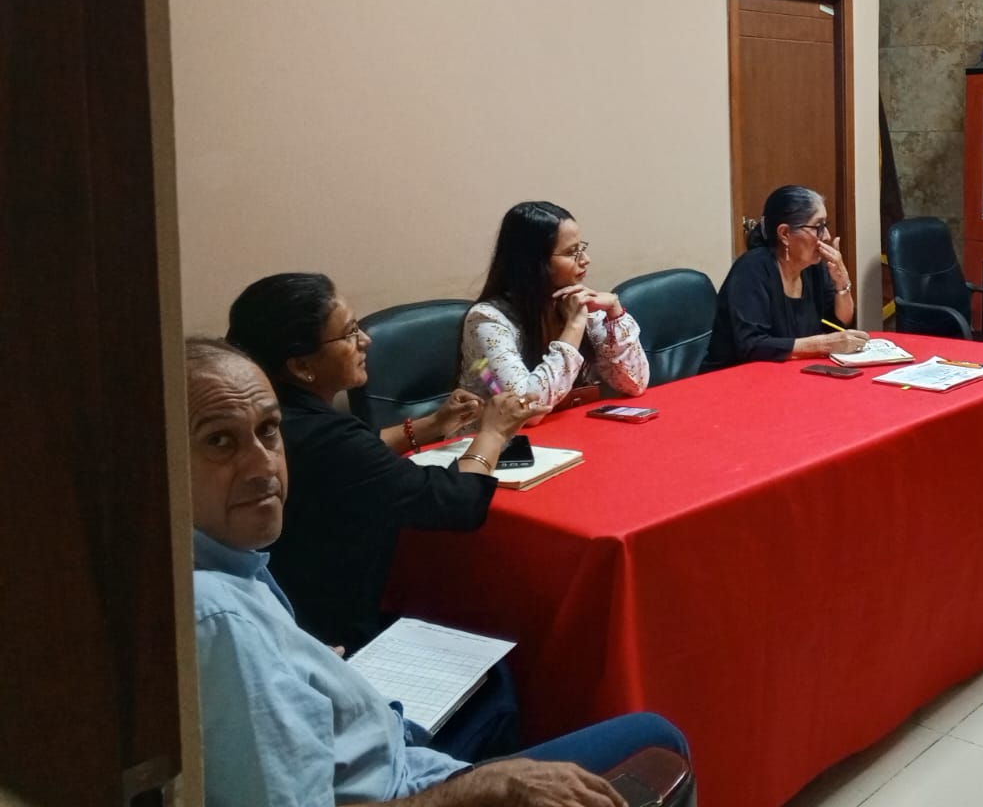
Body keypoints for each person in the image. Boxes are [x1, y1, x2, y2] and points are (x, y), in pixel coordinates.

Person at [185, 337, 687, 806]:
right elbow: (453, 501)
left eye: (267, 431)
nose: (262, 466)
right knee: (655, 738)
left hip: (393, 748)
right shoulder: (218, 618)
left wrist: (310, 663)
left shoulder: (229, 557)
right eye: (220, 441)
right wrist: (475, 789)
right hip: (405, 784)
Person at [227, 273, 537, 659]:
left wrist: (433, 425)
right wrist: (493, 433)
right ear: (302, 365)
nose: (365, 340)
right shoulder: (324, 436)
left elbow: (356, 453)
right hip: (331, 636)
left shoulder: (278, 419)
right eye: (349, 333)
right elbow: (455, 502)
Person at [460, 201, 649, 414]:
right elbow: (524, 410)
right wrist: (574, 326)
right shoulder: (487, 320)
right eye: (571, 252)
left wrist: (615, 313)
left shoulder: (574, 300)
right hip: (501, 435)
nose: (585, 260)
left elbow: (635, 384)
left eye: (581, 248)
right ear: (533, 262)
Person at [702, 184, 869, 371]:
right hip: (734, 377)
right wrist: (824, 344)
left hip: (789, 372)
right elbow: (752, 346)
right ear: (785, 234)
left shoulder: (813, 268)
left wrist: (842, 284)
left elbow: (839, 325)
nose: (827, 236)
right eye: (818, 227)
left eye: (826, 226)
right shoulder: (751, 270)